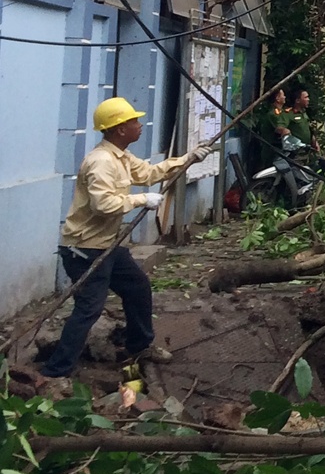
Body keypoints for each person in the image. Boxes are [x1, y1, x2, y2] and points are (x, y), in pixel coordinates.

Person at [35, 98, 213, 394]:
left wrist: (188, 158)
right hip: (86, 249)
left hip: (108, 245)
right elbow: (104, 205)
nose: (139, 126)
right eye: (134, 122)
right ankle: (56, 372)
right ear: (119, 129)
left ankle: (140, 345)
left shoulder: (120, 156)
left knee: (138, 287)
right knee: (88, 309)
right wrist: (142, 200)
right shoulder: (101, 162)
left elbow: (148, 173)